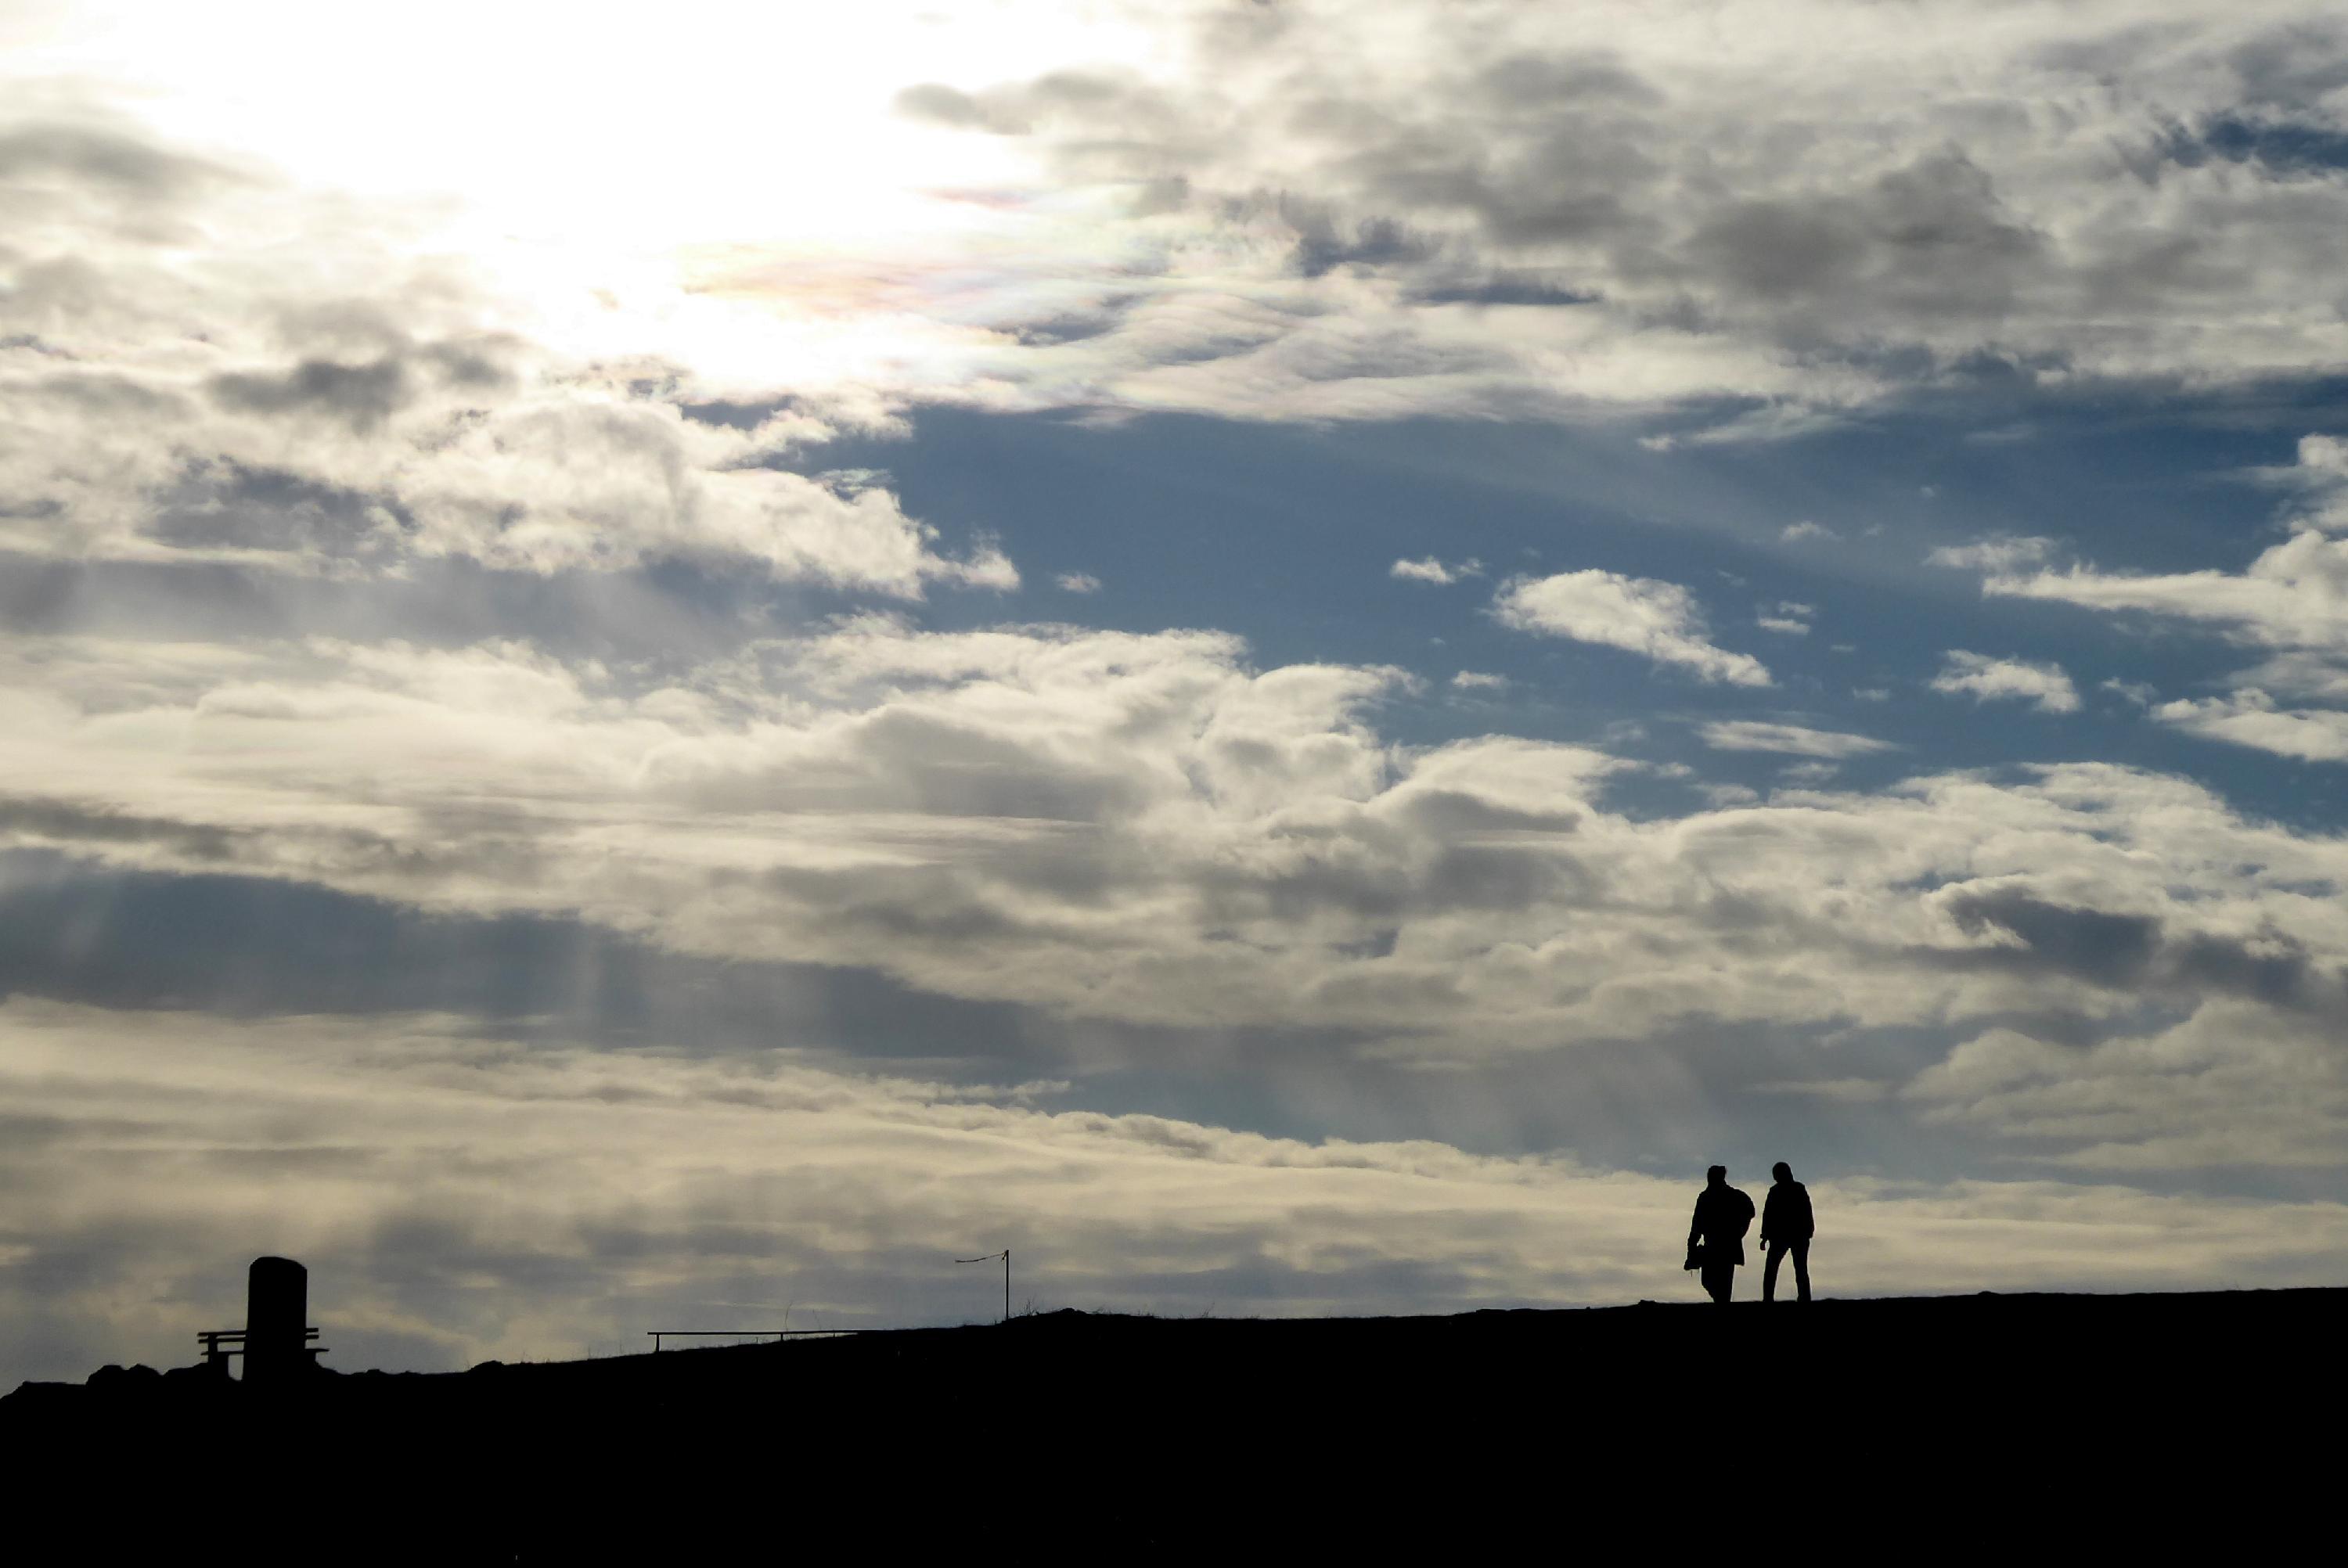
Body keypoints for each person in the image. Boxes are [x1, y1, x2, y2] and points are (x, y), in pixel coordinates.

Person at [1686, 1165, 1754, 1304]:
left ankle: (1722, 1304)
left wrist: (1739, 1229)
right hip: (1717, 1245)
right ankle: (1721, 1302)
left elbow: (1750, 1210)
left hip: (1724, 1245)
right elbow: (1697, 1222)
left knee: (1722, 1283)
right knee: (1711, 1280)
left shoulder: (1729, 1195)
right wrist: (1692, 1243)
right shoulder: (1708, 1196)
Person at [1759, 1161, 1814, 1304]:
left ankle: (1771, 1298)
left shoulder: (1784, 1190)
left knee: (1793, 1268)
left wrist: (1765, 1235)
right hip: (1791, 1235)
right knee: (1797, 1268)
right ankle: (1802, 1298)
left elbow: (1769, 1214)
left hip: (1790, 1235)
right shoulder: (1789, 1189)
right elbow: (1769, 1214)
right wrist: (1765, 1235)